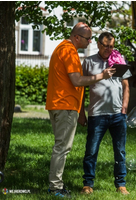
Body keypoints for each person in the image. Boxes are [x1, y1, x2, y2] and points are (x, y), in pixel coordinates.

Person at [46, 23, 116, 197]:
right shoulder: (69, 51)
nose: (90, 41)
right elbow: (77, 81)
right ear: (77, 37)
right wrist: (102, 75)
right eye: (88, 38)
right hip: (65, 105)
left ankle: (56, 185)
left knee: (60, 146)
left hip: (58, 104)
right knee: (62, 148)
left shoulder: (61, 48)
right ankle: (55, 188)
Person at [79, 32, 131, 195]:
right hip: (97, 114)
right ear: (99, 45)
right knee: (91, 150)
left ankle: (121, 184)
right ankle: (88, 184)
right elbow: (80, 88)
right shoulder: (89, 61)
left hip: (117, 115)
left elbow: (126, 86)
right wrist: (81, 112)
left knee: (120, 151)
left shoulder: (119, 60)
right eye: (106, 45)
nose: (109, 49)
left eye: (112, 46)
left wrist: (124, 106)